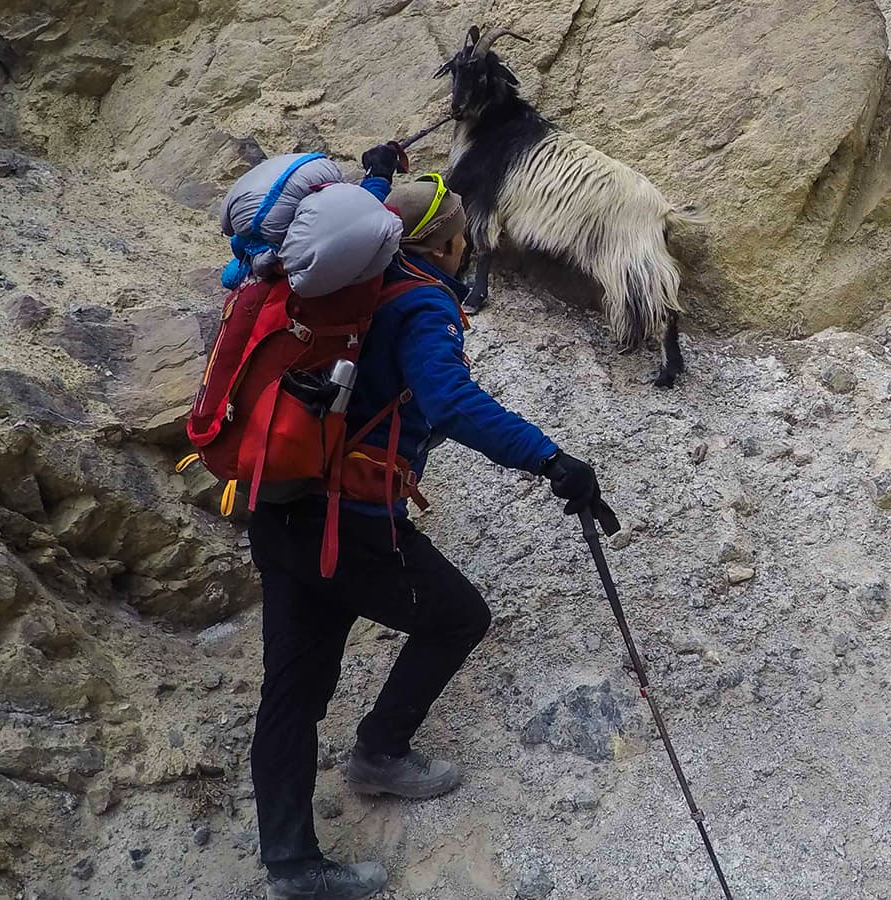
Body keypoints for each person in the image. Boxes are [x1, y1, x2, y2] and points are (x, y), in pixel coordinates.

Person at [250, 141, 610, 900]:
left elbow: (381, 204)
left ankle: (290, 862)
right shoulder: (422, 302)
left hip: (278, 500)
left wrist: (380, 169)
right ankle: (380, 753)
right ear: (444, 247)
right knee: (456, 617)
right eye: (461, 237)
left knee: (291, 687)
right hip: (352, 522)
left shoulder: (353, 275)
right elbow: (452, 403)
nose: (466, 247)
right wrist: (553, 461)